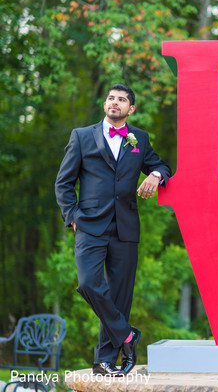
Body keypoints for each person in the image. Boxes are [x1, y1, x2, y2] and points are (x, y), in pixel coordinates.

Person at [55, 84, 171, 376]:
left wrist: (156, 175)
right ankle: (128, 336)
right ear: (105, 104)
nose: (115, 103)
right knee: (88, 283)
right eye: (111, 98)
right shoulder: (82, 137)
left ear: (130, 109)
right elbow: (64, 183)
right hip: (89, 224)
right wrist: (73, 216)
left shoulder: (138, 139)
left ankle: (104, 361)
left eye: (122, 100)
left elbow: (161, 164)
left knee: (120, 296)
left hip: (126, 226)